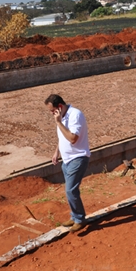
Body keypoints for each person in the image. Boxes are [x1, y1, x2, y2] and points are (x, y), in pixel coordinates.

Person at [45, 94, 90, 232]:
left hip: (78, 157)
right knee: (72, 191)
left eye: (52, 111)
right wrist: (56, 152)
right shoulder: (62, 117)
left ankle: (80, 219)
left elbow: (72, 138)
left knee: (70, 190)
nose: (52, 114)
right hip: (67, 160)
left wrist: (58, 122)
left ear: (59, 107)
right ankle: (75, 215)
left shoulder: (75, 115)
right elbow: (62, 137)